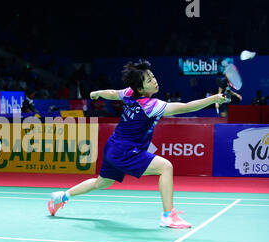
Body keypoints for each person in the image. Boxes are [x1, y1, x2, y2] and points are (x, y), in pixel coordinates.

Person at [48, 60, 226, 229]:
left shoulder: (129, 93)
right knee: (166, 167)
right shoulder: (151, 105)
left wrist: (98, 92)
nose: (155, 82)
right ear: (140, 88)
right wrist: (213, 99)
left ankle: (61, 196)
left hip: (113, 147)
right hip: (126, 151)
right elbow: (186, 107)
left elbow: (112, 93)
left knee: (101, 183)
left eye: (153, 77)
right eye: (149, 80)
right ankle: (168, 216)